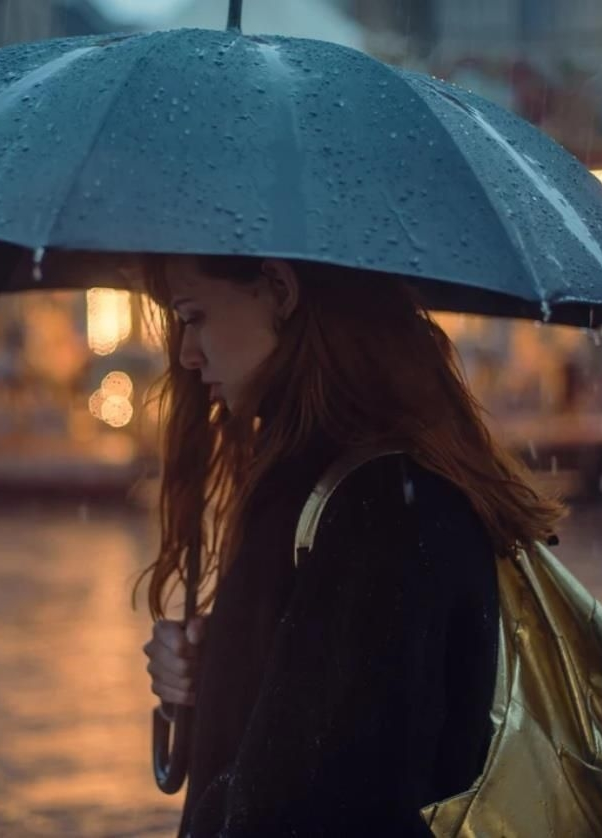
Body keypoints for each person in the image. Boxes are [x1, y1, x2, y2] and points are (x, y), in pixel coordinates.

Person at [136, 255, 564, 837]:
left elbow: (324, 795)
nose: (186, 353)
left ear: (280, 288)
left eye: (196, 316)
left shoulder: (377, 505)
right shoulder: (343, 479)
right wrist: (213, 668)